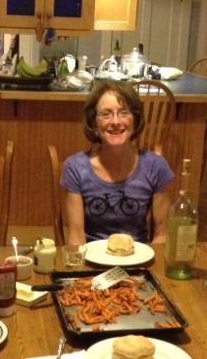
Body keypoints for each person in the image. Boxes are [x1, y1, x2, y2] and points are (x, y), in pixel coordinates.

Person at [61, 80, 174, 245]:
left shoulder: (156, 167)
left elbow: (162, 235)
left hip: (138, 256)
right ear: (94, 124)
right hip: (91, 257)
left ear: (135, 121)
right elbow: (76, 237)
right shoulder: (75, 167)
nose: (115, 121)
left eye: (123, 112)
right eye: (106, 114)